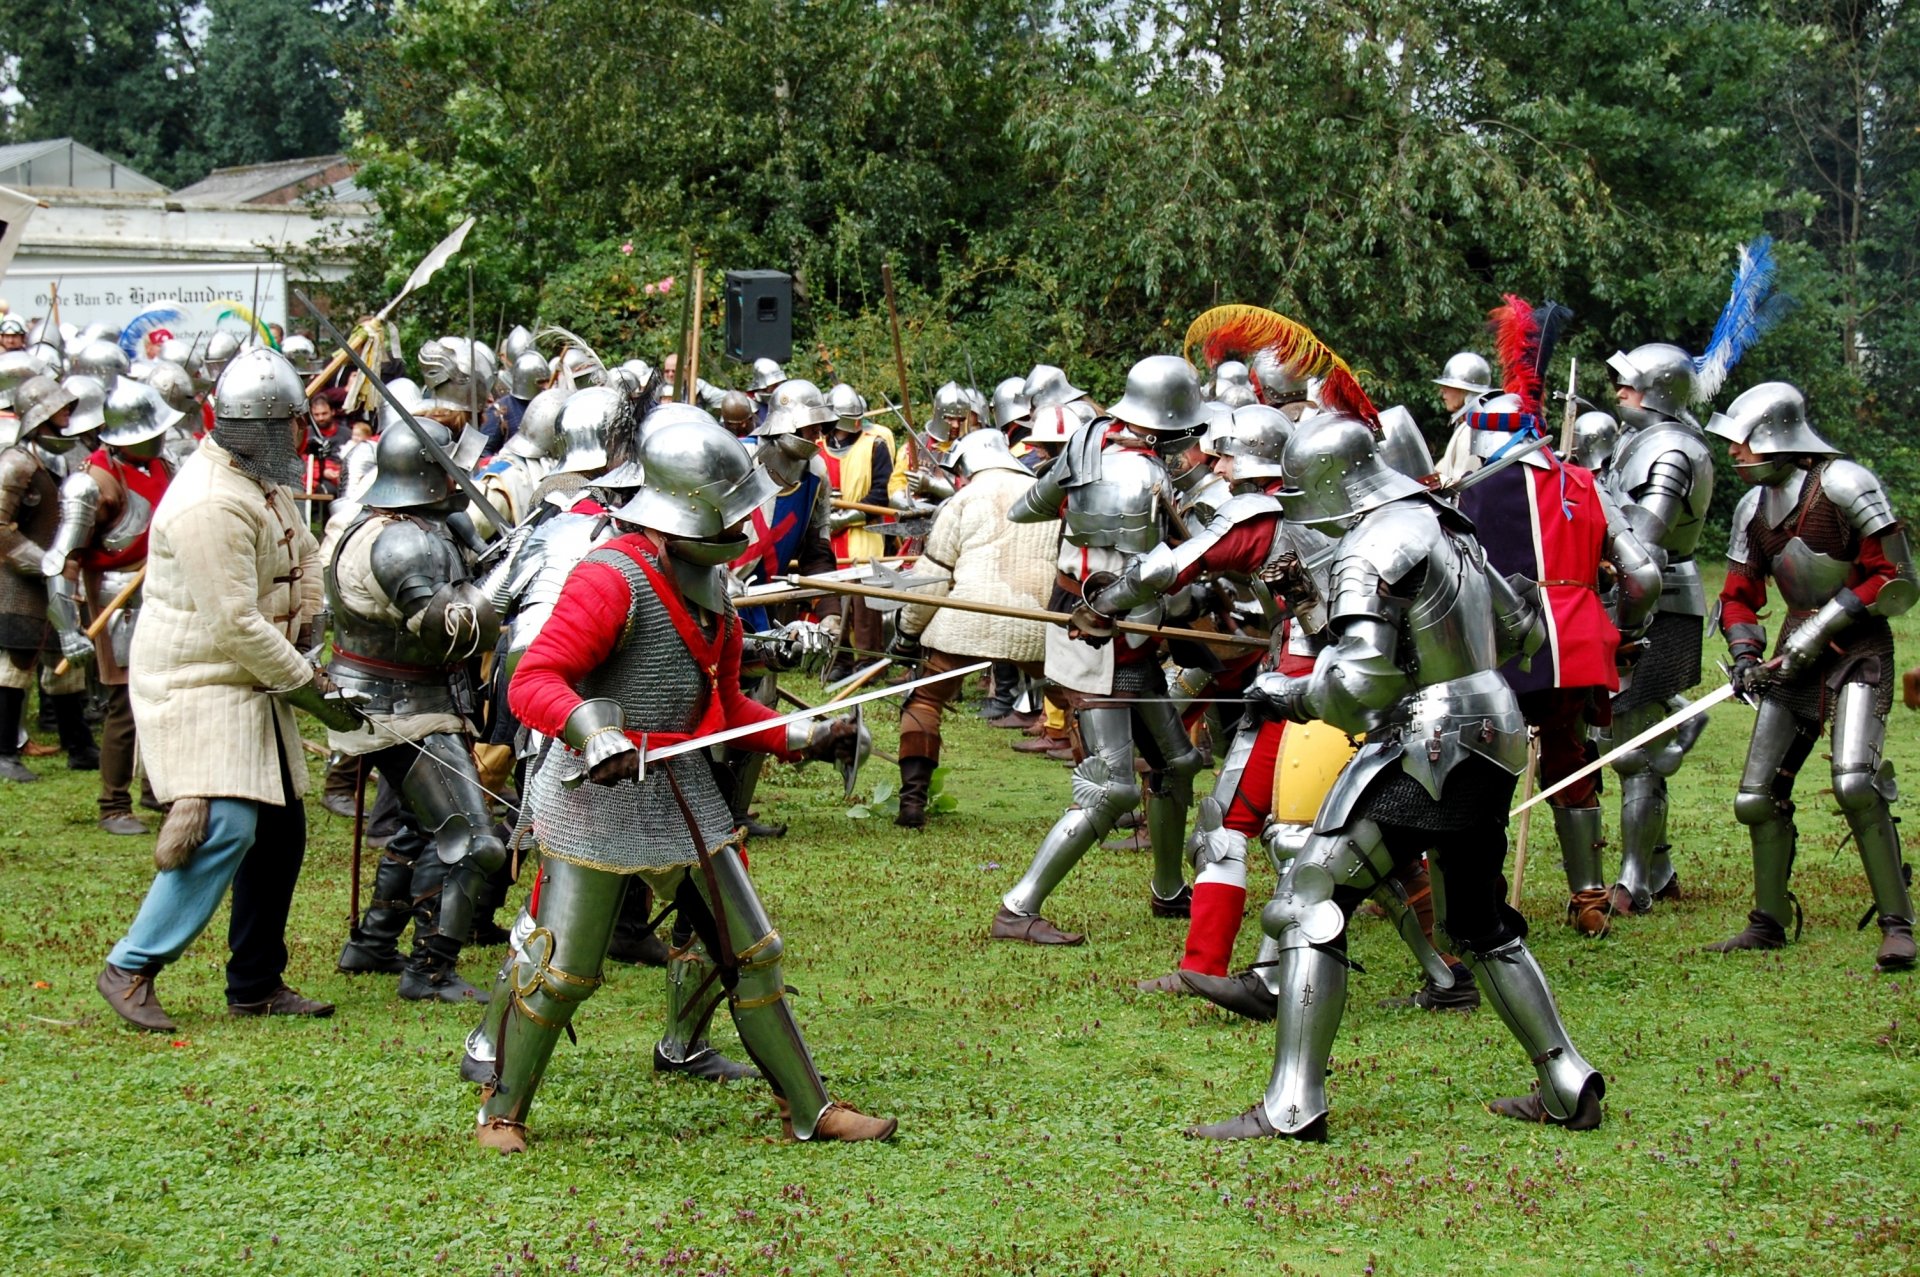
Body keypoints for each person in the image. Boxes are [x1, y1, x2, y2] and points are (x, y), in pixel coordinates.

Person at [471, 411, 892, 1152]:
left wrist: (801, 734)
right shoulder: (610, 577)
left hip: (682, 792)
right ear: (681, 507)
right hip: (593, 797)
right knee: (564, 969)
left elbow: (721, 706)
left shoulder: (711, 581)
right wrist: (591, 731)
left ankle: (811, 1108)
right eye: (725, 509)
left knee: (751, 950)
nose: (742, 522)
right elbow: (532, 678)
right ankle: (500, 1109)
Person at [1189, 399, 1605, 1141]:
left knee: (1310, 891)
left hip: (1430, 746)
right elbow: (1522, 630)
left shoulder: (1371, 546)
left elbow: (1356, 686)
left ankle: (1292, 1106)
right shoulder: (1451, 525)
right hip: (1493, 731)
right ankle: (1568, 1080)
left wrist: (1284, 690)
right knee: (1479, 920)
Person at [95, 348, 353, 1030]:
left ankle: (256, 982)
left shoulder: (261, 479)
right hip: (197, 677)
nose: (303, 436)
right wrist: (308, 681)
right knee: (224, 823)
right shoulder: (210, 501)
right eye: (295, 424)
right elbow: (235, 623)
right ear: (269, 426)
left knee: (282, 830)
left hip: (247, 675)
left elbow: (302, 550)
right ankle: (130, 964)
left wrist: (310, 625)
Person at [1449, 300, 1661, 938]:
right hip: (1575, 648)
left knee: (1484, 769)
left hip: (1500, 650)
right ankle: (1590, 896)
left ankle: (1478, 891)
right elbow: (1643, 576)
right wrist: (1627, 632)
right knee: (1574, 761)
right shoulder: (1585, 483)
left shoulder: (1467, 495)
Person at [995, 355, 1211, 943]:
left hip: (1120, 640)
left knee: (1177, 765)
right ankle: (1018, 908)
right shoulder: (1137, 474)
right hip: (1099, 636)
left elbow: (1027, 507)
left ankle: (1169, 891)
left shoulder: (1085, 445)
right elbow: (1149, 577)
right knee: (1112, 788)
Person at [1706, 383, 1917, 970]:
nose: (1734, 454)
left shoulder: (1846, 484)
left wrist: (1822, 627)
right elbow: (1736, 596)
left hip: (1857, 647)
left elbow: (1896, 577)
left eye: (1741, 442)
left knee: (1855, 783)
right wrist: (1746, 654)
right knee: (1754, 798)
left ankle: (1898, 924)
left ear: (1775, 438)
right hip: (1789, 658)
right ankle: (1767, 921)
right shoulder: (1752, 509)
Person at [327, 418, 506, 1002]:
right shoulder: (407, 542)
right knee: (476, 842)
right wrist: (513, 574)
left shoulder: (401, 524)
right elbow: (453, 633)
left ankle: (374, 942)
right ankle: (429, 970)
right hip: (407, 707)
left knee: (416, 827)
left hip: (391, 699)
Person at [890, 428, 1058, 827]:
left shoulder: (962, 499)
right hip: (1035, 620)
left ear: (968, 463)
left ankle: (912, 803)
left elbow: (931, 580)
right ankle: (1104, 801)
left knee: (925, 701)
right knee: (1080, 706)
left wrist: (906, 634)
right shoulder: (1048, 497)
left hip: (969, 618)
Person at [40, 380, 180, 831]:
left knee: (166, 699)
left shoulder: (163, 464)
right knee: (125, 705)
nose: (159, 437)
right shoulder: (90, 482)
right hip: (117, 600)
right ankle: (113, 804)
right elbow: (61, 559)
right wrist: (66, 628)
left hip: (164, 593)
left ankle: (157, 790)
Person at [0, 375, 91, 782]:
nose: (68, 412)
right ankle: (4, 752)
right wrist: (46, 562)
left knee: (65, 662)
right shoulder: (15, 462)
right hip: (18, 582)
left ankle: (79, 745)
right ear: (40, 414)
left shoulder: (69, 457)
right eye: (59, 407)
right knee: (14, 666)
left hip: (59, 580)